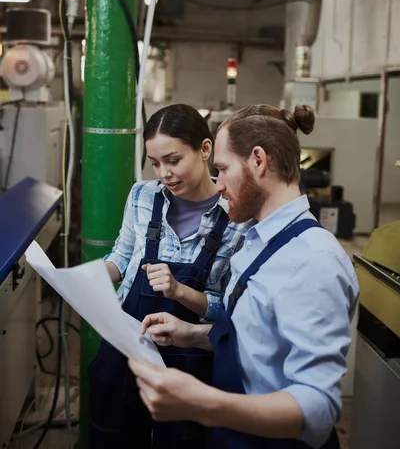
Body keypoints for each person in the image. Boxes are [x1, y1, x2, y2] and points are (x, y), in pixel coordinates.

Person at [130, 104, 360, 449]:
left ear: (258, 160)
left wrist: (204, 404)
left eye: (222, 169)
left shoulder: (313, 262)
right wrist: (191, 334)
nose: (218, 185)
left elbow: (319, 408)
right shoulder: (255, 240)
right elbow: (258, 341)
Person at [88, 104, 251, 449]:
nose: (164, 173)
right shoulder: (142, 196)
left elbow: (231, 314)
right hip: (125, 346)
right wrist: (86, 279)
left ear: (205, 150)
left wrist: (179, 291)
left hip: (190, 362)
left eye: (173, 160)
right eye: (156, 163)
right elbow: (121, 257)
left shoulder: (237, 216)